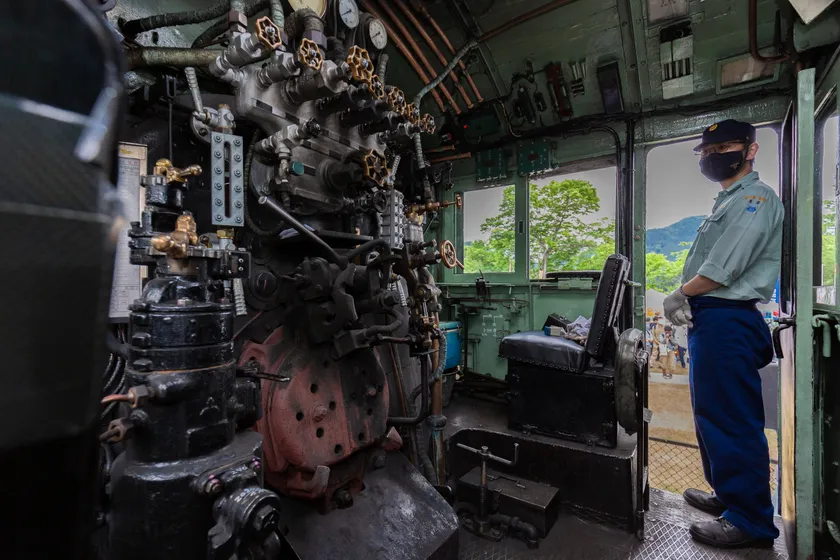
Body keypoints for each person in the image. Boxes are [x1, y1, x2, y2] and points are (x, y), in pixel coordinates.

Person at [662, 120, 783, 549]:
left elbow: (724, 267)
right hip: (711, 318)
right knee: (711, 414)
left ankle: (750, 519)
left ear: (750, 150)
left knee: (732, 418)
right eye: (707, 151)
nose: (713, 156)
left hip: (727, 318)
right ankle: (729, 496)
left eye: (724, 147)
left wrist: (681, 293)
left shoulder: (755, 198)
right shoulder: (727, 201)